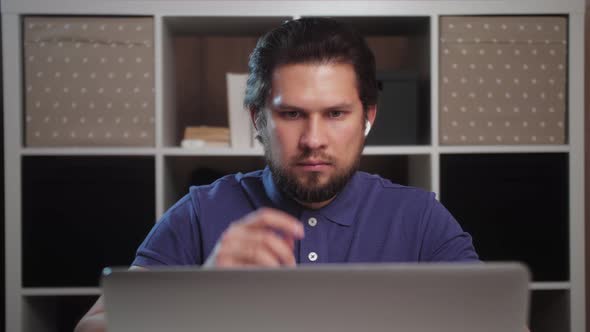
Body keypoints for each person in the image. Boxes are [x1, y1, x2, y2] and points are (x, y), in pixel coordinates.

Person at [75, 17, 478, 332]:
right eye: (291, 114)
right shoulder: (200, 211)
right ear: (258, 119)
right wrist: (203, 295)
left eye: (336, 114)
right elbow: (92, 326)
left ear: (367, 117)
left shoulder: (420, 217)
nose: (313, 139)